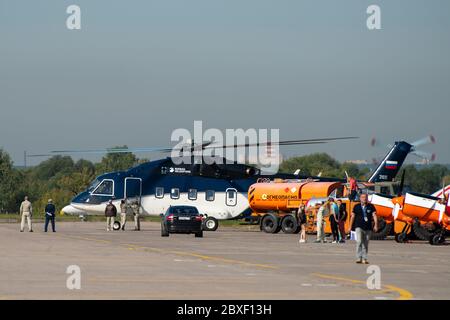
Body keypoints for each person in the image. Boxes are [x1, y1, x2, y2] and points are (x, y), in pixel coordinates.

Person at [349, 193, 378, 264]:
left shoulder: (371, 206)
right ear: (360, 198)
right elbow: (352, 217)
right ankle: (359, 258)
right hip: (358, 227)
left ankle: (364, 258)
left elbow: (374, 216)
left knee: (365, 243)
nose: (364, 198)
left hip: (368, 228)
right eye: (362, 197)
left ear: (367, 198)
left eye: (365, 197)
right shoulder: (356, 206)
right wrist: (350, 226)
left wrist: (376, 225)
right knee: (359, 241)